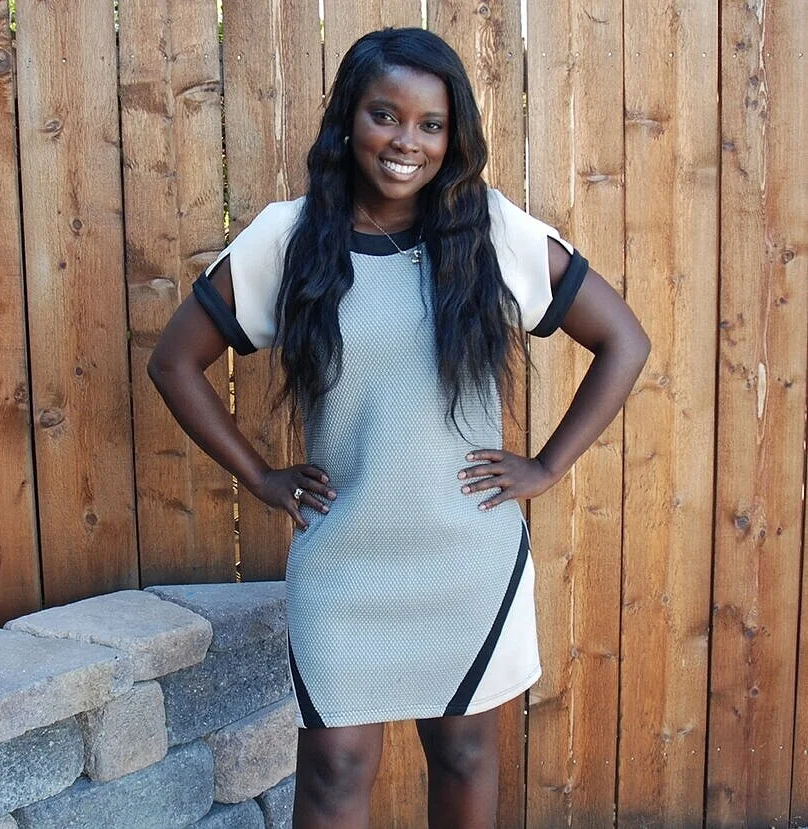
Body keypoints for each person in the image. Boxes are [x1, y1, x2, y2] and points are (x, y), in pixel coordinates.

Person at [149, 26, 650, 829]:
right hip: (344, 562)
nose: (405, 142)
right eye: (385, 115)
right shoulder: (287, 238)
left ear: (453, 137)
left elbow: (624, 340)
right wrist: (261, 476)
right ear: (348, 118)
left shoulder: (489, 231)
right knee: (334, 769)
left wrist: (546, 465)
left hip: (466, 558)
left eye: (430, 124)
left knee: (463, 757)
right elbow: (174, 362)